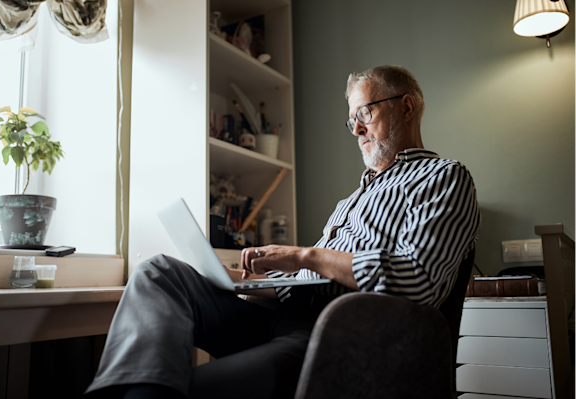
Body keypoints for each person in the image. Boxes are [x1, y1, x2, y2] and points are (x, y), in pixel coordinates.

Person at [85, 65, 481, 399]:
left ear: (406, 107)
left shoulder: (445, 177)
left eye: (365, 114)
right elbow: (309, 280)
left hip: (341, 334)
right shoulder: (351, 201)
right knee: (159, 272)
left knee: (189, 388)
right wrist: (242, 282)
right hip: (283, 315)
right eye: (352, 120)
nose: (357, 130)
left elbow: (418, 280)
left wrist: (302, 255)